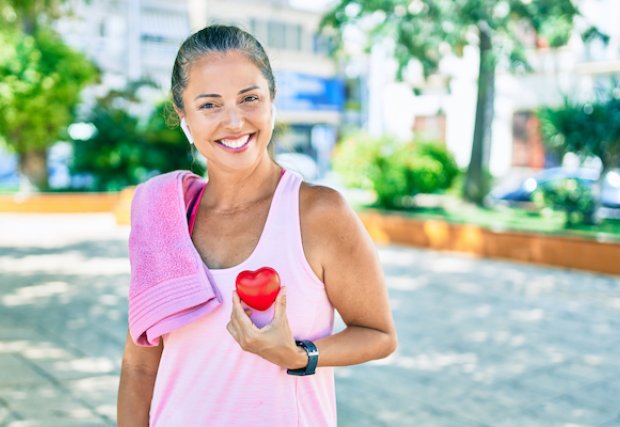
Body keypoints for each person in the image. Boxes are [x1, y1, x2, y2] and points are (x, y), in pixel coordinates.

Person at [117, 25, 397, 427]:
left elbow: (379, 335)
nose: (234, 121)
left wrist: (300, 355)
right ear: (183, 116)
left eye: (250, 98)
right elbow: (140, 366)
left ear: (272, 102)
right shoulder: (165, 218)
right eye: (209, 105)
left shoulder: (317, 213)